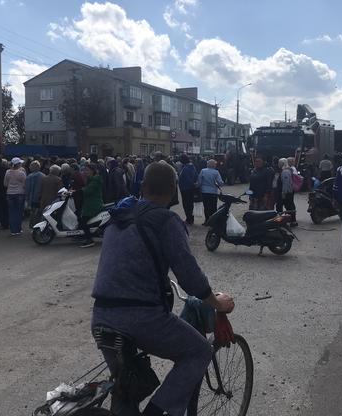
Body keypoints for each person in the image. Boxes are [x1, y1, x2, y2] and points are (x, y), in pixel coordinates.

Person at [91, 161, 235, 416]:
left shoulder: (118, 217)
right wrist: (216, 302)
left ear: (143, 187)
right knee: (199, 351)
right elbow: (190, 278)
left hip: (102, 317)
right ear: (173, 190)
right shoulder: (166, 221)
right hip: (141, 318)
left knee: (126, 384)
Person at [79, 163, 104, 248]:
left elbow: (88, 190)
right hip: (89, 204)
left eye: (87, 170)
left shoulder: (95, 180)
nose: (85, 172)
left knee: (83, 221)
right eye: (84, 170)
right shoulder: (90, 179)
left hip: (94, 205)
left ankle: (89, 240)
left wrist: (78, 191)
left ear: (93, 171)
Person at [4, 157, 26, 235]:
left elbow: (5, 184)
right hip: (20, 193)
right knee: (19, 212)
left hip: (10, 193)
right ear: (18, 164)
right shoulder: (22, 173)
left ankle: (13, 230)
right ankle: (18, 229)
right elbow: (24, 184)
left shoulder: (8, 172)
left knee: (12, 212)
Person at [177, 153, 198, 225]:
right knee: (189, 204)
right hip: (188, 188)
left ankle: (189, 219)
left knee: (187, 204)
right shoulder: (191, 167)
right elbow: (195, 177)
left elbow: (188, 179)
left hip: (186, 189)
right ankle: (190, 218)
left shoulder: (186, 168)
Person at [25, 160, 45, 226]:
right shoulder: (43, 176)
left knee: (33, 212)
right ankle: (39, 225)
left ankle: (33, 225)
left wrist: (26, 199)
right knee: (40, 213)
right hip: (40, 197)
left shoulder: (29, 177)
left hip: (32, 198)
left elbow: (27, 189)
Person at [281, 158, 297, 226]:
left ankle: (292, 220)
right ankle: (292, 219)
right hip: (290, 190)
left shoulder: (285, 171)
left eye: (280, 163)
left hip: (288, 191)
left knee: (289, 205)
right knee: (290, 204)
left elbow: (286, 183)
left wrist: (284, 192)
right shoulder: (289, 169)